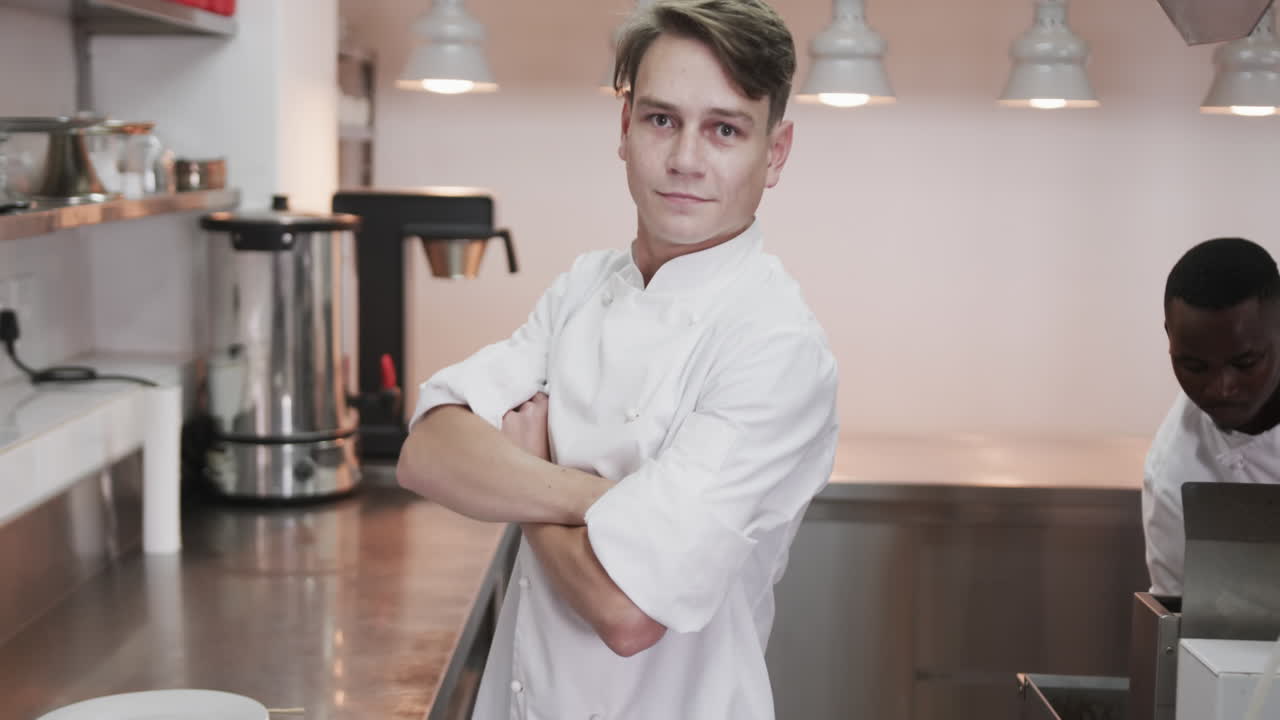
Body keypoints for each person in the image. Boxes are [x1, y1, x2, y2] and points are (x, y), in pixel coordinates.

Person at [395, 1, 838, 717]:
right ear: (624, 128)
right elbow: (428, 451)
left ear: (775, 152)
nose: (685, 159)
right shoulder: (584, 287)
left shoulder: (775, 345)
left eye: (724, 129)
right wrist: (605, 505)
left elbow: (626, 613)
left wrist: (527, 483)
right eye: (662, 119)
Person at [1143, 236, 1280, 596]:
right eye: (1193, 366)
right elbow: (1186, 629)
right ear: (1169, 339)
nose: (1221, 387)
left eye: (1245, 363)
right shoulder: (1175, 476)